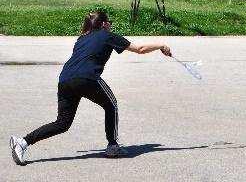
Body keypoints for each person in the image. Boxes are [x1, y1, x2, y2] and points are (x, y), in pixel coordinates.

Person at [9, 10, 173, 165]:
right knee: (111, 105)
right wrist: (160, 45)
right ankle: (112, 146)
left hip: (64, 80)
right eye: (109, 22)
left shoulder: (81, 39)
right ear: (103, 24)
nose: (110, 25)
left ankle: (22, 142)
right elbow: (140, 49)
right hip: (87, 78)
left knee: (62, 123)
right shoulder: (107, 35)